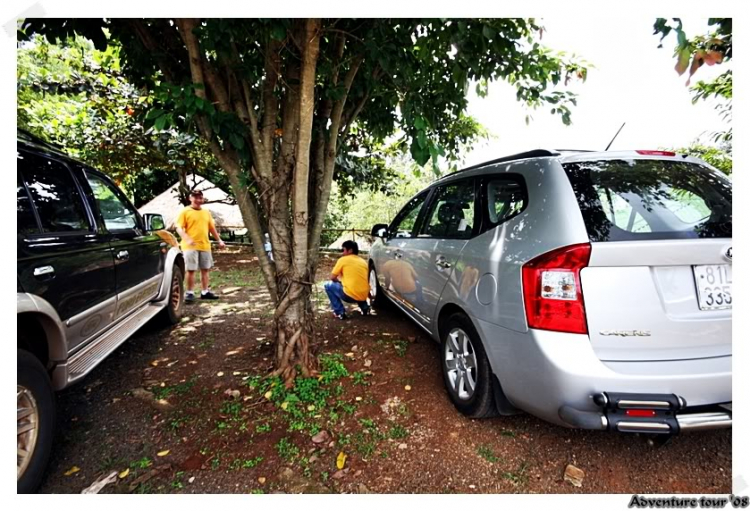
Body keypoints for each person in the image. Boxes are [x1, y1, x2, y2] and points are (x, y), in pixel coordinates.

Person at [175, 189, 226, 302]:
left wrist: (219, 240)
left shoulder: (206, 212)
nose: (198, 200)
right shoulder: (185, 211)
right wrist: (187, 239)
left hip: (205, 245)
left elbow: (211, 228)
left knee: (205, 269)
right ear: (190, 198)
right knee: (191, 269)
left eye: (200, 198)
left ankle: (205, 291)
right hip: (190, 246)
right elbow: (178, 227)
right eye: (196, 197)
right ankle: (189, 293)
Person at [324, 240, 370, 319]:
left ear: (350, 250)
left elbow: (332, 277)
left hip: (350, 295)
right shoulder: (363, 262)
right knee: (357, 286)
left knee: (328, 285)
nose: (342, 252)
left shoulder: (343, 260)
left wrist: (338, 282)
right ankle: (365, 308)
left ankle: (340, 312)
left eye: (343, 250)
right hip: (364, 294)